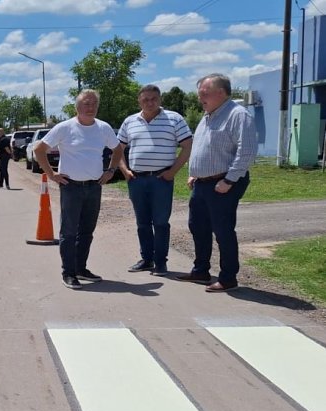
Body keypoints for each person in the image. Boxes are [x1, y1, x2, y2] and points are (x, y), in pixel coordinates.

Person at [34, 89, 124, 290]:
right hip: (71, 187)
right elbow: (39, 149)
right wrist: (52, 174)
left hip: (94, 186)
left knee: (87, 231)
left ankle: (81, 268)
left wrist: (110, 170)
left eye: (93, 104)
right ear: (77, 107)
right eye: (86, 103)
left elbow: (118, 149)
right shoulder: (65, 127)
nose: (90, 107)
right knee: (69, 231)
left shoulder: (103, 128)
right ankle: (69, 272)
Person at [177, 73, 256, 292]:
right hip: (202, 183)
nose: (200, 98)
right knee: (198, 227)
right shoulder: (208, 116)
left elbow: (247, 151)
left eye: (204, 93)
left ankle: (228, 277)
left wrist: (229, 180)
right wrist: (196, 173)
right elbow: (205, 149)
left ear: (221, 93)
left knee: (223, 231)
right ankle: (201, 270)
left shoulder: (237, 115)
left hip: (224, 183)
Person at [118, 84, 193, 277]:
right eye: (145, 99)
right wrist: (125, 170)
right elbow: (118, 149)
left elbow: (187, 146)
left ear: (160, 100)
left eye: (153, 99)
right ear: (139, 101)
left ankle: (161, 262)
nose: (150, 103)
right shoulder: (130, 121)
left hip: (162, 179)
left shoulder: (174, 119)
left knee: (160, 222)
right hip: (136, 179)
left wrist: (173, 172)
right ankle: (146, 259)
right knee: (142, 222)